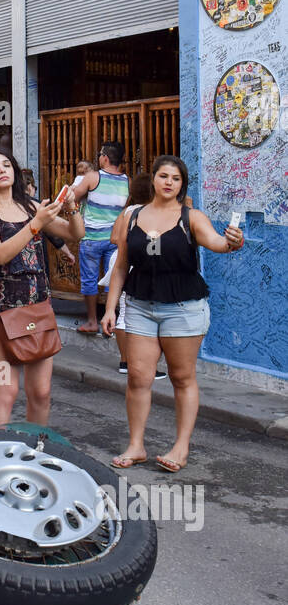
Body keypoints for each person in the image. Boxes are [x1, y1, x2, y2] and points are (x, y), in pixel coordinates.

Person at [102, 155, 243, 472]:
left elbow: (217, 243)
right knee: (138, 377)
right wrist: (111, 308)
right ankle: (136, 445)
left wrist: (233, 243)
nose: (168, 182)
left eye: (175, 178)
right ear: (152, 179)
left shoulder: (191, 217)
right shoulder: (133, 215)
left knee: (181, 377)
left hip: (183, 307)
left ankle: (181, 447)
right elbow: (122, 264)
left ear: (182, 184)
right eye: (163, 176)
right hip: (139, 304)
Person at [0, 147, 84, 426]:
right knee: (6, 390)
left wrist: (72, 207)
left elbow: (74, 233)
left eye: (7, 164)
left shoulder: (30, 206)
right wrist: (35, 225)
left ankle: (34, 450)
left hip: (38, 309)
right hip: (1, 314)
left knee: (41, 392)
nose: (2, 170)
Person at [98, 173, 165, 380]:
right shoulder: (150, 213)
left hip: (118, 257)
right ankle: (142, 363)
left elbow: (114, 238)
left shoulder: (127, 211)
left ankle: (125, 361)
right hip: (136, 260)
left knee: (124, 310)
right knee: (143, 311)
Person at [71, 141, 129, 333]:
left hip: (91, 239)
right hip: (115, 239)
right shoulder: (128, 181)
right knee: (115, 278)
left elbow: (71, 198)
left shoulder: (92, 177)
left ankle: (92, 322)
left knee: (89, 280)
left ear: (104, 157)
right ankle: (112, 318)